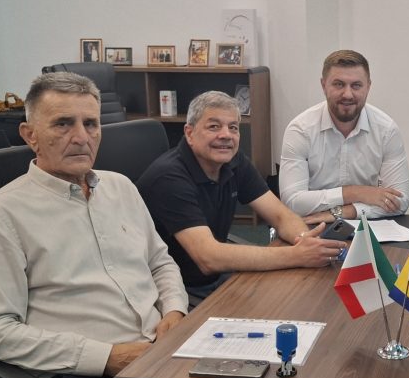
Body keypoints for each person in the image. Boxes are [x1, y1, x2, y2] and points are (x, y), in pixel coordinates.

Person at [0, 72, 188, 378]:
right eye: (63, 124)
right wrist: (106, 357)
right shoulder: (1, 215)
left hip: (156, 351)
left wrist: (175, 312)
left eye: (91, 124)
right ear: (30, 135)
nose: (82, 137)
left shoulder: (121, 187)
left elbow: (160, 262)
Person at [137, 91, 348, 296]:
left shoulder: (233, 161)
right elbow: (208, 258)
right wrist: (296, 255)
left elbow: (280, 215)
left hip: (217, 275)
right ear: (190, 133)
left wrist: (304, 240)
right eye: (214, 126)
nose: (225, 135)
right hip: (174, 289)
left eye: (233, 127)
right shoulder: (168, 178)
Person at [279, 50, 409, 224]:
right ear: (323, 85)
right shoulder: (300, 130)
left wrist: (344, 212)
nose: (347, 94)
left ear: (368, 87)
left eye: (356, 85)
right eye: (339, 84)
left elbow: (400, 201)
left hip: (364, 225)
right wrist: (356, 192)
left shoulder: (386, 130)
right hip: (310, 226)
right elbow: (292, 202)